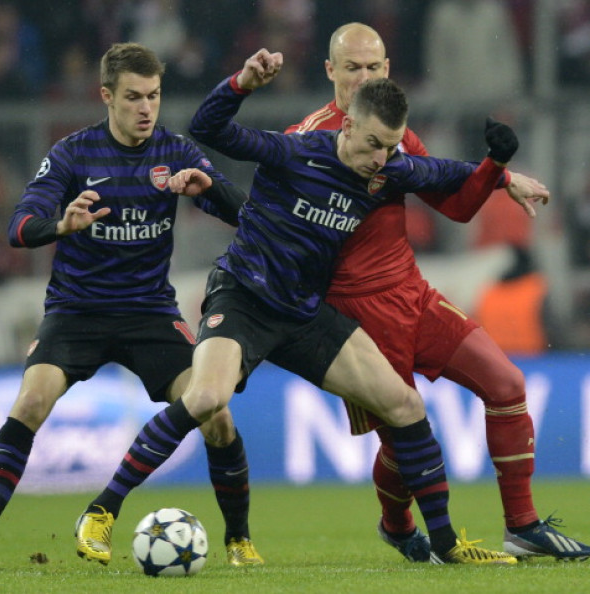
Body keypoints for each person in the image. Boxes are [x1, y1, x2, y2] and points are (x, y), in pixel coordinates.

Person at [74, 48, 524, 566]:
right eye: (373, 144)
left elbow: (451, 174)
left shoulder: (389, 169)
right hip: (243, 296)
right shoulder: (295, 151)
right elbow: (209, 128)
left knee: (406, 406)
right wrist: (241, 83)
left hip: (304, 313)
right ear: (348, 124)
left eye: (392, 147)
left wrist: (501, 167)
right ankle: (102, 511)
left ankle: (447, 546)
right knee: (205, 398)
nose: (381, 159)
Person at [0, 42, 264, 570]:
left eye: (154, 96)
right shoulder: (72, 154)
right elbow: (19, 228)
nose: (146, 108)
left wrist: (209, 188)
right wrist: (60, 225)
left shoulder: (175, 153)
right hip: (77, 310)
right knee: (31, 402)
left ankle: (239, 540)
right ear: (107, 97)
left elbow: (245, 213)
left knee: (217, 414)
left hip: (150, 313)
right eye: (133, 97)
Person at [286, 22, 589, 561]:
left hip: (411, 294)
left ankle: (522, 525)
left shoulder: (398, 132)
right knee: (404, 446)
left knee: (506, 384)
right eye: (351, 67)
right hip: (352, 315)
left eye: (374, 67)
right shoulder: (303, 142)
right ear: (329, 71)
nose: (363, 78)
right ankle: (398, 526)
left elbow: (455, 205)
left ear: (387, 71)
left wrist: (494, 167)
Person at [474, 245, 549, 356]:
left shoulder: (488, 291)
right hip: (533, 355)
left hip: (497, 358)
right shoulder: (535, 287)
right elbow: (551, 324)